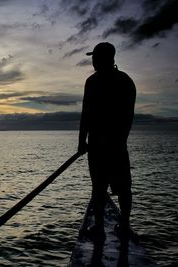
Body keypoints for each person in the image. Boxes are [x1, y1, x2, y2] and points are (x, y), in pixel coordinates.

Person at [78, 42, 136, 240]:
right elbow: (87, 114)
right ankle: (111, 227)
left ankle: (107, 228)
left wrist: (82, 142)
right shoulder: (125, 81)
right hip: (112, 145)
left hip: (107, 145)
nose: (93, 61)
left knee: (108, 189)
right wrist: (82, 142)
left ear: (108, 59)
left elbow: (87, 115)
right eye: (93, 57)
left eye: (95, 57)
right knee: (113, 188)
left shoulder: (95, 82)